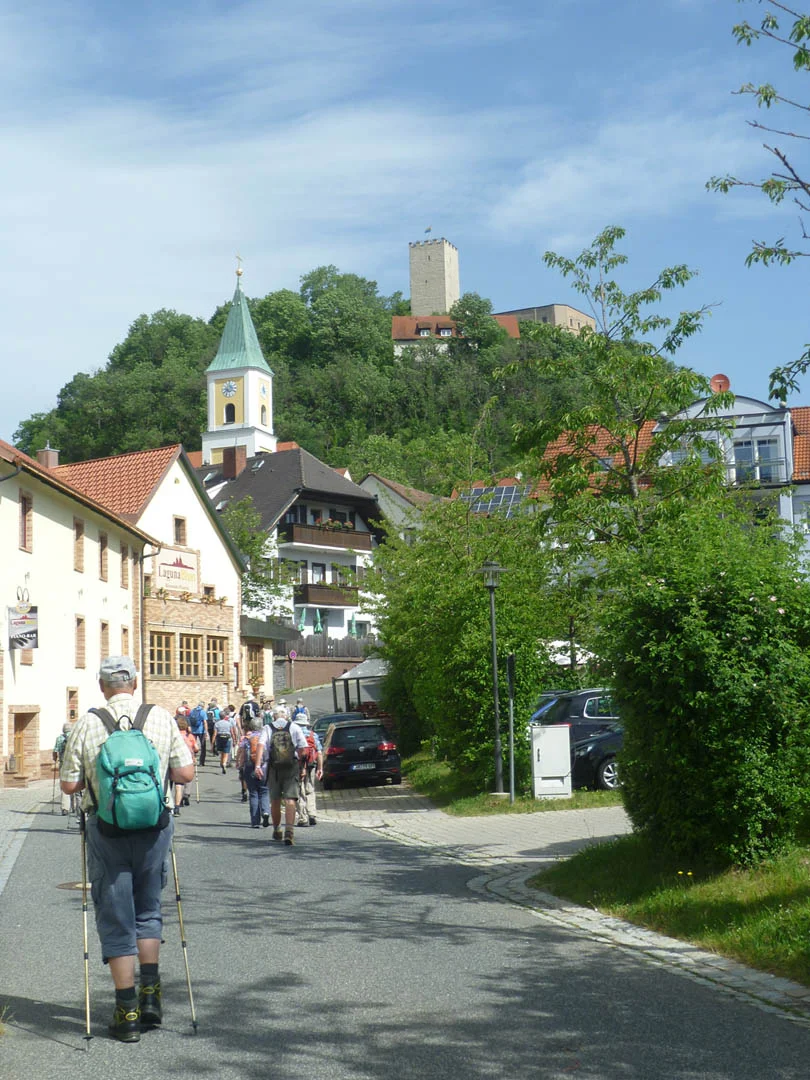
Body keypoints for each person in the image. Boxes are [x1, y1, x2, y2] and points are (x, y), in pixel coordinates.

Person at [60, 656, 194, 1043]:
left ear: (102, 686)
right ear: (135, 683)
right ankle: (152, 997)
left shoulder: (88, 723)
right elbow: (185, 773)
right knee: (148, 909)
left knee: (116, 915)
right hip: (155, 830)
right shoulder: (161, 717)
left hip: (108, 831)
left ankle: (127, 1010)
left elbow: (69, 786)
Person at [253, 705, 308, 846]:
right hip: (291, 767)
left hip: (274, 768)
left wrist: (258, 765)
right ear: (286, 715)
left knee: (275, 800)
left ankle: (277, 829)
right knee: (290, 800)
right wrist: (303, 767)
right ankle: (289, 831)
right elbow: (304, 748)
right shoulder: (294, 727)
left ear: (274, 716)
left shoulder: (268, 728)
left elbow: (261, 745)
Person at [237, 715, 270, 828]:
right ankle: (266, 811)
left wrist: (240, 766)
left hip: (250, 766)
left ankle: (255, 821)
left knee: (253, 793)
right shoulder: (265, 737)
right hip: (264, 766)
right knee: (264, 791)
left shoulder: (246, 739)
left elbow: (241, 753)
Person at [295, 714, 323, 828]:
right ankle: (312, 814)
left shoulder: (294, 735)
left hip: (297, 766)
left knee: (299, 791)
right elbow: (320, 752)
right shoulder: (313, 735)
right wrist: (320, 768)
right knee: (310, 790)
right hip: (311, 765)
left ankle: (303, 818)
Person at [173, 717, 198, 815]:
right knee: (188, 778)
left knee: (178, 785)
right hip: (188, 760)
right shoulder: (189, 736)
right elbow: (196, 748)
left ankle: (175, 805)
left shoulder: (174, 736)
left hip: (176, 760)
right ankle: (186, 794)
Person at [53, 723, 73, 815]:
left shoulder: (59, 738)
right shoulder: (74, 737)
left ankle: (65, 808)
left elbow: (55, 751)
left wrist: (55, 759)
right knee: (75, 783)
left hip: (63, 764)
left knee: (64, 785)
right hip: (73, 764)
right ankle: (76, 807)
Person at [213, 709, 234, 774]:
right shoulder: (228, 723)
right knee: (226, 752)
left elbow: (215, 734)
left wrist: (212, 742)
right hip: (227, 738)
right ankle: (224, 763)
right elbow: (232, 732)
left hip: (219, 738)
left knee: (221, 752)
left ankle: (221, 762)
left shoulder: (217, 724)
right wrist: (234, 739)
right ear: (225, 716)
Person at [188, 701, 207, 766]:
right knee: (203, 746)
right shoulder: (203, 712)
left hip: (193, 730)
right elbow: (205, 722)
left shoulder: (192, 711)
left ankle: (193, 759)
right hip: (201, 731)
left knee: (193, 745)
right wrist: (206, 731)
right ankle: (202, 762)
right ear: (203, 706)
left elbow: (189, 720)